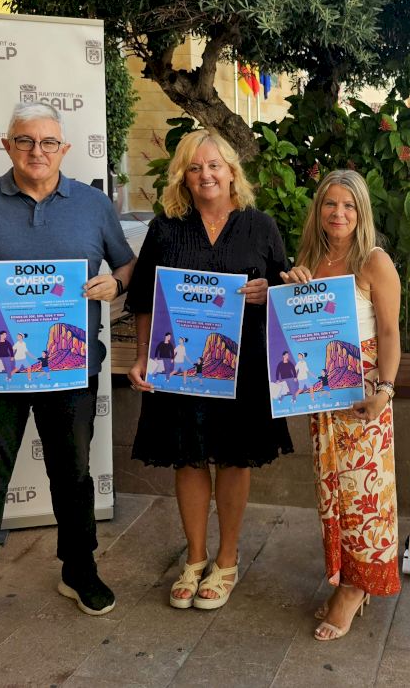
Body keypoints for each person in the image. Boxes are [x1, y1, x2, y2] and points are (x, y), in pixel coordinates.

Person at [0, 102, 135, 639]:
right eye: (25, 141)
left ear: (64, 149)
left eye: (48, 142)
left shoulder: (93, 204)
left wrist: (117, 284)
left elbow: (128, 264)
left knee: (73, 475)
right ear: (7, 145)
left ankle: (79, 571)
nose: (37, 151)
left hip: (71, 369)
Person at [126, 130, 292, 611]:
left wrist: (269, 292)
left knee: (235, 459)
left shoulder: (260, 226)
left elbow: (286, 291)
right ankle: (194, 558)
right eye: (195, 168)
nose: (205, 175)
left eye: (214, 166)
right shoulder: (166, 228)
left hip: (245, 366)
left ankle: (227, 560)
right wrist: (142, 355)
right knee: (189, 458)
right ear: (183, 176)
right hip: (181, 368)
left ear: (232, 171)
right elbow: (144, 300)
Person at [281, 169, 401, 641]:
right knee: (332, 490)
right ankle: (347, 577)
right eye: (330, 203)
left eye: (348, 205)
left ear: (361, 211)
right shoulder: (311, 259)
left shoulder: (374, 261)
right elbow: (298, 330)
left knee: (365, 496)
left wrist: (385, 390)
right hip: (324, 393)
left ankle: (354, 590)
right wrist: (292, 286)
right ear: (319, 210)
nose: (339, 213)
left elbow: (389, 331)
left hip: (364, 391)